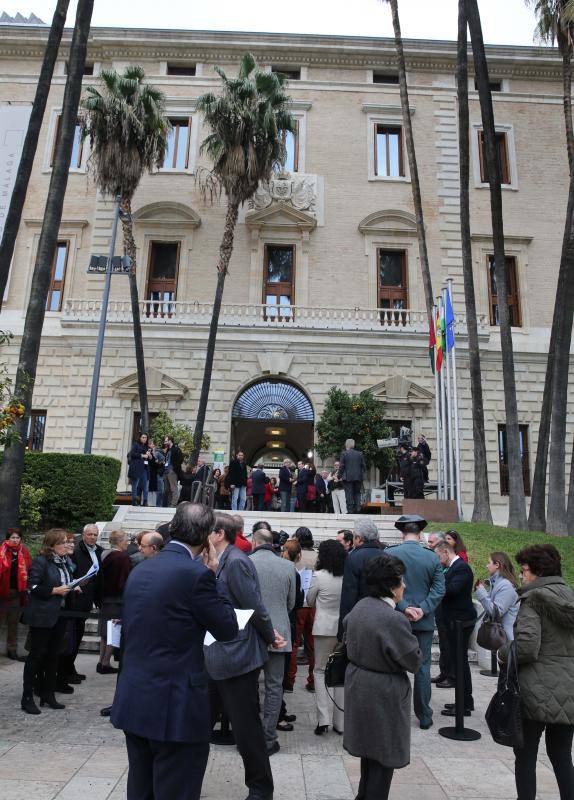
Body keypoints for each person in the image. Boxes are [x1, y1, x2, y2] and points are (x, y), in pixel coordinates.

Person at [111, 503, 238, 800]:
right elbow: (228, 629)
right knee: (176, 787)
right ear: (207, 535)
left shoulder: (142, 567)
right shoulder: (197, 575)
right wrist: (214, 574)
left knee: (141, 787)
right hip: (175, 704)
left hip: (134, 696)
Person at [205, 514, 284, 800]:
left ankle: (261, 789)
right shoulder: (217, 560)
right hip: (215, 654)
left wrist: (270, 635)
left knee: (246, 729)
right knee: (200, 723)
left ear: (219, 534)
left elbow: (254, 606)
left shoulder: (237, 561)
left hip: (238, 656)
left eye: (207, 531)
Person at [498, 544, 574, 800]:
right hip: (569, 690)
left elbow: (527, 648)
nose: (522, 576)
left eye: (524, 570)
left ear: (538, 572)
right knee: (562, 754)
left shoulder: (534, 600)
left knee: (526, 755)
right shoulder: (570, 597)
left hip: (536, 691)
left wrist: (504, 652)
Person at [344, 555, 422, 800]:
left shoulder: (361, 605)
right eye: (401, 581)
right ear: (391, 586)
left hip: (360, 684)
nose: (405, 586)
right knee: (382, 759)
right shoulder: (392, 619)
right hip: (383, 693)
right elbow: (414, 660)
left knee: (369, 755)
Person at [387, 515, 445, 730]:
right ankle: (424, 715)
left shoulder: (390, 553)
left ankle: (395, 713)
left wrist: (404, 608)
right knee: (422, 668)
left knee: (393, 666)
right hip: (424, 620)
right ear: (420, 534)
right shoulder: (431, 557)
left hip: (396, 619)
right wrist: (423, 608)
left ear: (402, 533)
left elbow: (385, 585)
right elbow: (439, 589)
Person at [250, 528, 297, 755]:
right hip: (279, 631)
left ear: (254, 541)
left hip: (251, 632)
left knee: (249, 686)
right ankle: (269, 736)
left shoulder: (246, 563)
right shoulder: (288, 566)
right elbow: (291, 603)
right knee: (274, 686)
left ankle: (249, 735)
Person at [21, 529, 74, 715]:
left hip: (59, 615)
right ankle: (27, 696)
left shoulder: (64, 562)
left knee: (53, 656)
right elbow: (33, 586)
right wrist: (55, 591)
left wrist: (74, 587)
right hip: (42, 616)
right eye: (63, 542)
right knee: (36, 656)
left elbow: (65, 582)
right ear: (52, 545)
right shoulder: (41, 561)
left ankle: (48, 694)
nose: (67, 545)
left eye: (67, 541)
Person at [307, 539, 346, 735]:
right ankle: (341, 722)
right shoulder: (347, 576)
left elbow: (310, 600)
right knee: (340, 673)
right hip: (342, 628)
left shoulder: (319, 576)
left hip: (323, 627)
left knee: (320, 671)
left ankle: (323, 719)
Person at [434, 541, 477, 716]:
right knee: (458, 663)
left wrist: (436, 583)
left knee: (461, 663)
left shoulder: (461, 568)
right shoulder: (453, 568)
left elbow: (452, 589)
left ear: (446, 551)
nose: (438, 561)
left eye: (438, 556)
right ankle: (463, 701)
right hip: (453, 620)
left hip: (461, 621)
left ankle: (465, 704)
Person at [338, 519, 384, 638]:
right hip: (383, 615)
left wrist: (343, 630)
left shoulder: (353, 558)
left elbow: (349, 595)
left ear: (358, 538)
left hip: (360, 616)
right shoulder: (386, 556)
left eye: (354, 536)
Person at [286, 527, 317, 693]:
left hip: (297, 604)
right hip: (314, 605)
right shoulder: (317, 556)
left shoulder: (295, 555)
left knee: (294, 643)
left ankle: (290, 681)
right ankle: (312, 680)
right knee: (312, 644)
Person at [98, 530, 131, 675]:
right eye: (126, 540)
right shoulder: (122, 557)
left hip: (105, 597)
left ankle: (101, 661)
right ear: (119, 541)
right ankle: (105, 663)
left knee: (105, 633)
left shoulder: (105, 554)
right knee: (113, 631)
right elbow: (123, 580)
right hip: (116, 599)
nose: (128, 543)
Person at [279, 539, 304, 728]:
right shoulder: (291, 572)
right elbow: (294, 602)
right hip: (286, 623)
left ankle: (281, 709)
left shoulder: (284, 568)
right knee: (279, 672)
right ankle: (279, 713)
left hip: (280, 622)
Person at [0, 529, 32, 660]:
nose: (15, 540)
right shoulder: (2, 551)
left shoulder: (23, 552)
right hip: (1, 592)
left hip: (16, 593)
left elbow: (30, 568)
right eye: (13, 537)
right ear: (7, 539)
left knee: (13, 623)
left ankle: (11, 649)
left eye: (18, 538)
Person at [426, 531, 453, 686]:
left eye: (432, 543)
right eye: (429, 542)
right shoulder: (438, 561)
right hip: (440, 610)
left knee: (449, 646)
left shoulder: (452, 565)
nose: (429, 546)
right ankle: (444, 673)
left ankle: (450, 675)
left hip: (449, 613)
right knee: (443, 644)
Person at [475, 551, 518, 642]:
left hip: (505, 639)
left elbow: (496, 611)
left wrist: (481, 593)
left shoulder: (506, 586)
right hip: (498, 637)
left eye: (489, 562)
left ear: (497, 565)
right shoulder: (498, 583)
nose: (487, 566)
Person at [338, 438, 366, 513]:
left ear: (346, 444)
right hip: (358, 478)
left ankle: (350, 511)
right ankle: (358, 509)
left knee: (348, 494)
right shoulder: (360, 454)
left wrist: (339, 476)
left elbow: (341, 467)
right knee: (357, 493)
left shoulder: (344, 453)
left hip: (347, 478)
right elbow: (364, 466)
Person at [128, 433, 153, 506]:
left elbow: (150, 459)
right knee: (135, 485)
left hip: (145, 468)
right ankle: (134, 501)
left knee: (145, 486)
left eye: (146, 437)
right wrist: (142, 455)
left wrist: (150, 456)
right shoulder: (136, 445)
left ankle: (145, 501)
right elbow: (132, 454)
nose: (144, 439)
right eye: (143, 437)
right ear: (140, 438)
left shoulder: (147, 447)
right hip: (136, 468)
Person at [163, 436, 183, 506]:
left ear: (170, 441)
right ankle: (169, 504)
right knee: (166, 489)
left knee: (173, 488)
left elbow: (180, 460)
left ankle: (173, 504)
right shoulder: (168, 450)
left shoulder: (176, 449)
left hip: (172, 471)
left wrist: (174, 469)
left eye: (166, 441)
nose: (164, 442)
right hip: (166, 471)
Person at [150, 440, 166, 507]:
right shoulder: (158, 453)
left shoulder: (158, 453)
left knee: (160, 490)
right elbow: (155, 462)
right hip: (159, 473)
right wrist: (162, 463)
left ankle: (158, 504)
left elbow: (155, 461)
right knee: (160, 490)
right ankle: (158, 505)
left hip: (160, 473)